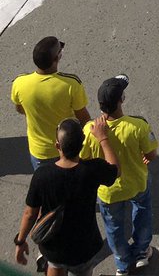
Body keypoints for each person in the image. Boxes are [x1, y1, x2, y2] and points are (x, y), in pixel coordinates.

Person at [15, 117, 118, 276]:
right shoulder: (92, 170)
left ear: (57, 145)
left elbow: (30, 214)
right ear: (81, 144)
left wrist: (20, 242)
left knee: (54, 266)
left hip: (54, 246)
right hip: (82, 246)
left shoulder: (43, 175)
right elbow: (115, 170)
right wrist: (103, 138)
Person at [81, 76, 157, 276]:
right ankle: (141, 252)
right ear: (121, 99)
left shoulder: (90, 130)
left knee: (113, 228)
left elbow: (83, 158)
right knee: (142, 215)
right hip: (136, 183)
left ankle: (122, 263)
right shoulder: (138, 126)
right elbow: (151, 154)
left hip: (108, 191)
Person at [11, 37, 90, 170]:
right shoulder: (71, 84)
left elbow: (20, 109)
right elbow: (84, 119)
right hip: (68, 148)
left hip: (39, 152)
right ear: (56, 58)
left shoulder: (19, 83)